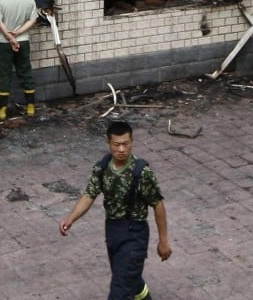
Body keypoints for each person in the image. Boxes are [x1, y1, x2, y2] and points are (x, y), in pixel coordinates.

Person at [59, 121, 171, 300]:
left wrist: (163, 241)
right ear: (109, 143)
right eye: (116, 144)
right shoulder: (103, 167)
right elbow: (90, 193)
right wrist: (71, 218)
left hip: (135, 235)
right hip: (113, 231)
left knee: (119, 289)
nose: (121, 149)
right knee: (129, 280)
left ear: (132, 142)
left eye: (125, 144)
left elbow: (158, 204)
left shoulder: (142, 173)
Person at [0, 0, 40, 119]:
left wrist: (10, 37)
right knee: (26, 72)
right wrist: (18, 34)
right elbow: (33, 20)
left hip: (4, 42)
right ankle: (30, 107)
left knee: (4, 75)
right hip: (23, 41)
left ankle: (2, 110)